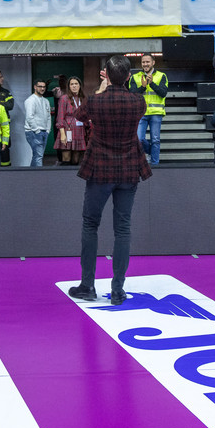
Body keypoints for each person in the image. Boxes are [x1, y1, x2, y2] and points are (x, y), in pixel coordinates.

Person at [66, 55, 152, 306]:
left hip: (100, 169)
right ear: (128, 77)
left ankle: (87, 285)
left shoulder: (96, 100)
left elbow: (78, 116)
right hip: (128, 170)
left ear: (106, 75)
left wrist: (101, 89)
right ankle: (117, 289)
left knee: (90, 224)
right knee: (122, 228)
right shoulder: (138, 101)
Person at [128, 54, 168, 165]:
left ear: (153, 62)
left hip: (156, 113)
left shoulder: (161, 76)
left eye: (147, 62)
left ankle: (155, 164)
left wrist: (152, 84)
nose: (145, 64)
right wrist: (143, 86)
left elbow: (163, 93)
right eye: (143, 62)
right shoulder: (135, 77)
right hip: (140, 113)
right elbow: (132, 94)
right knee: (139, 139)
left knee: (155, 139)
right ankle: (151, 153)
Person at [56, 77, 88, 166]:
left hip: (79, 130)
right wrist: (62, 134)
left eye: (76, 84)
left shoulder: (83, 98)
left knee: (76, 158)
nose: (74, 86)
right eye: (72, 84)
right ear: (69, 86)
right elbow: (60, 117)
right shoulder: (64, 98)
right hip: (67, 130)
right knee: (66, 157)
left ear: (80, 86)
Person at [21, 79, 53, 167]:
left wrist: (47, 130)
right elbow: (29, 117)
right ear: (35, 87)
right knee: (38, 156)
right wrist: (37, 130)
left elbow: (48, 117)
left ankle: (32, 174)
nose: (42, 88)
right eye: (40, 86)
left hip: (44, 131)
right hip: (33, 132)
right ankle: (40, 176)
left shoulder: (46, 101)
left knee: (37, 156)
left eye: (44, 87)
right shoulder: (30, 100)